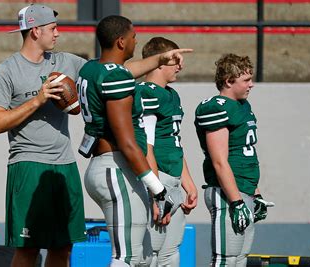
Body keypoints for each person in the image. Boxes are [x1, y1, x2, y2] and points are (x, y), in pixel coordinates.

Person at [77, 15, 192, 266]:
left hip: (104, 165)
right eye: (133, 36)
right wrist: (157, 188)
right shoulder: (116, 78)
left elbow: (126, 72)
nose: (136, 40)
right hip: (116, 168)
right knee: (126, 257)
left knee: (138, 256)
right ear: (121, 42)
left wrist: (161, 58)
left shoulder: (92, 68)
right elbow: (128, 142)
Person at [0, 4, 87, 267]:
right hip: (28, 165)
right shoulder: (5, 71)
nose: (58, 34)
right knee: (28, 250)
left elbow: (107, 73)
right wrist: (38, 100)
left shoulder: (65, 62)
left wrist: (156, 62)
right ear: (35, 31)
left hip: (65, 166)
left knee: (63, 248)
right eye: (52, 29)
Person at [194, 53, 274, 266]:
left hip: (243, 188)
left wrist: (255, 194)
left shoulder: (243, 106)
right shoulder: (217, 106)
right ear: (229, 81)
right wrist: (236, 202)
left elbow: (246, 154)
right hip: (227, 193)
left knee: (240, 259)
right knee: (225, 259)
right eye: (246, 80)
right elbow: (219, 160)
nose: (252, 85)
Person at [137, 37, 198, 266]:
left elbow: (174, 142)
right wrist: (155, 192)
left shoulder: (171, 94)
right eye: (175, 60)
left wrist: (188, 181)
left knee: (170, 253)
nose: (180, 66)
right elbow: (146, 147)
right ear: (159, 62)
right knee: (150, 254)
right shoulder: (146, 92)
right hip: (157, 179)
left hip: (172, 180)